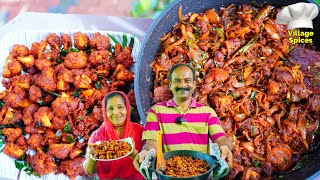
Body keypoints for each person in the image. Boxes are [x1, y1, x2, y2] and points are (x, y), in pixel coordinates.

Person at [134, 63, 233, 170]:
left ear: (194, 84)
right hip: (169, 173)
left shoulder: (208, 112)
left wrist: (225, 147)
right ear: (170, 85)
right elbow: (151, 143)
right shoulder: (156, 111)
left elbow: (221, 139)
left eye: (187, 80)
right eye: (177, 81)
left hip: (200, 173)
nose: (182, 85)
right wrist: (145, 152)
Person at [83, 91, 144, 179]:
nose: (115, 112)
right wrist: (94, 155)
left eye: (120, 107)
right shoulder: (98, 136)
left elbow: (151, 164)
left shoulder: (140, 131)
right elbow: (89, 170)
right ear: (105, 112)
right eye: (110, 109)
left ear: (127, 108)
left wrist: (133, 154)